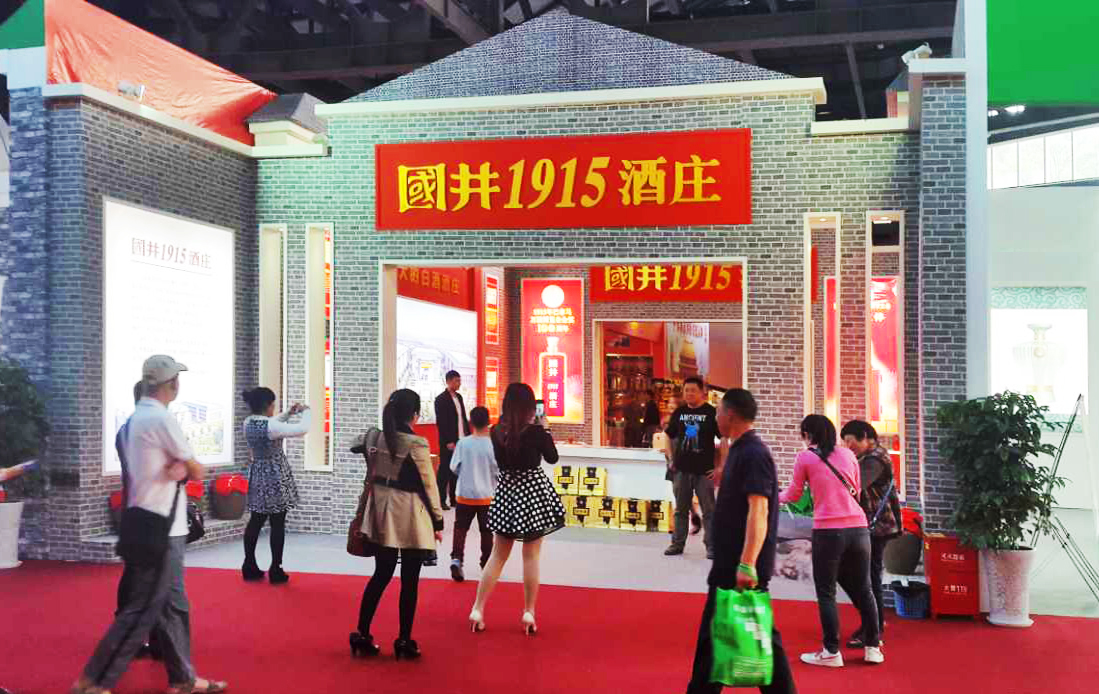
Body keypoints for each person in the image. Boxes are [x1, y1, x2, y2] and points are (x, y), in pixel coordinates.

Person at [72, 355, 227, 694]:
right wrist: (183, 467)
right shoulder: (161, 418)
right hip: (161, 528)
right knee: (142, 609)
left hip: (146, 522)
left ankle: (182, 678)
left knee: (172, 607)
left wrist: (178, 468)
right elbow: (196, 469)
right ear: (172, 383)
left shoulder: (134, 420)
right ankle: (94, 681)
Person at [685, 388, 796, 694]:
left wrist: (747, 563)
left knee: (739, 639)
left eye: (718, 411)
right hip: (730, 562)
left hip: (740, 565)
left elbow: (759, 510)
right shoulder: (738, 450)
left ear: (730, 414)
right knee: (727, 639)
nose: (716, 417)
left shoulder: (753, 453)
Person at [779, 415, 883, 667]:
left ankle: (831, 652)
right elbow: (857, 489)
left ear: (807, 435)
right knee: (865, 589)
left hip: (828, 530)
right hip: (858, 528)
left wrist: (772, 494)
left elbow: (794, 494)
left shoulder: (805, 457)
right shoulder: (848, 454)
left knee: (826, 592)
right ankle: (873, 648)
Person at [351, 389, 444, 661]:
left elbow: (356, 445)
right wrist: (438, 520)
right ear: (415, 414)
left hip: (381, 511)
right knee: (409, 581)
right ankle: (404, 640)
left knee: (381, 574)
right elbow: (429, 485)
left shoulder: (375, 436)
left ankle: (362, 634)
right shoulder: (417, 443)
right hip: (409, 514)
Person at [468, 383, 565, 635]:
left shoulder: (495, 431)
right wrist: (545, 428)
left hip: (506, 495)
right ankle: (529, 612)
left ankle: (478, 608)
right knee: (531, 556)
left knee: (497, 555)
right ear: (530, 407)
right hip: (532, 497)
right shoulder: (536, 433)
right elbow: (552, 458)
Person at [839, 420, 902, 649]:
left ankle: (872, 628)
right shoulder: (869, 457)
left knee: (867, 576)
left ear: (865, 436)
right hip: (871, 525)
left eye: (850, 441)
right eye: (845, 442)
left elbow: (855, 485)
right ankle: (873, 622)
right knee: (863, 574)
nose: (848, 446)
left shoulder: (874, 460)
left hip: (877, 526)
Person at [240, 387, 310, 584]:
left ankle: (249, 565)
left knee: (256, 520)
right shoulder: (271, 426)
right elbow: (302, 429)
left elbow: (273, 423)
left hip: (257, 473)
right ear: (268, 405)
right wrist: (307, 412)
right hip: (275, 475)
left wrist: (288, 413)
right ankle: (276, 569)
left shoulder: (248, 422)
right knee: (277, 522)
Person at [115, 381, 161, 662]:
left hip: (135, 509)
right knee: (149, 577)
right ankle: (153, 638)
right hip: (148, 512)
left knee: (135, 575)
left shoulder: (127, 429)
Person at [664, 377, 719, 559]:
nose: (689, 393)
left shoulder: (711, 413)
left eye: (693, 390)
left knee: (709, 511)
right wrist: (671, 458)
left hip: (704, 471)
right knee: (680, 510)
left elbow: (725, 438)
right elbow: (668, 435)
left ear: (702, 392)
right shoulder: (679, 412)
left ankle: (712, 546)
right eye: (686, 390)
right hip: (681, 470)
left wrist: (721, 467)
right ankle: (677, 544)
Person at [448, 406, 499, 582]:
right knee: (487, 531)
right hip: (487, 496)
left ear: (470, 422)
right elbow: (498, 471)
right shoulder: (493, 445)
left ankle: (456, 559)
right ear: (489, 422)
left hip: (465, 495)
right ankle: (486, 564)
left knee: (460, 529)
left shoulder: (463, 443)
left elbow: (453, 467)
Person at [434, 370, 469, 510]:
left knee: (457, 470)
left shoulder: (459, 397)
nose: (459, 383)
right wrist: (448, 441)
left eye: (459, 380)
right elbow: (441, 423)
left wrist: (468, 436)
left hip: (461, 439)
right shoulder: (441, 399)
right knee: (444, 470)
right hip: (448, 441)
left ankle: (454, 499)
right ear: (448, 381)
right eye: (456, 381)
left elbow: (463, 418)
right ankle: (440, 500)